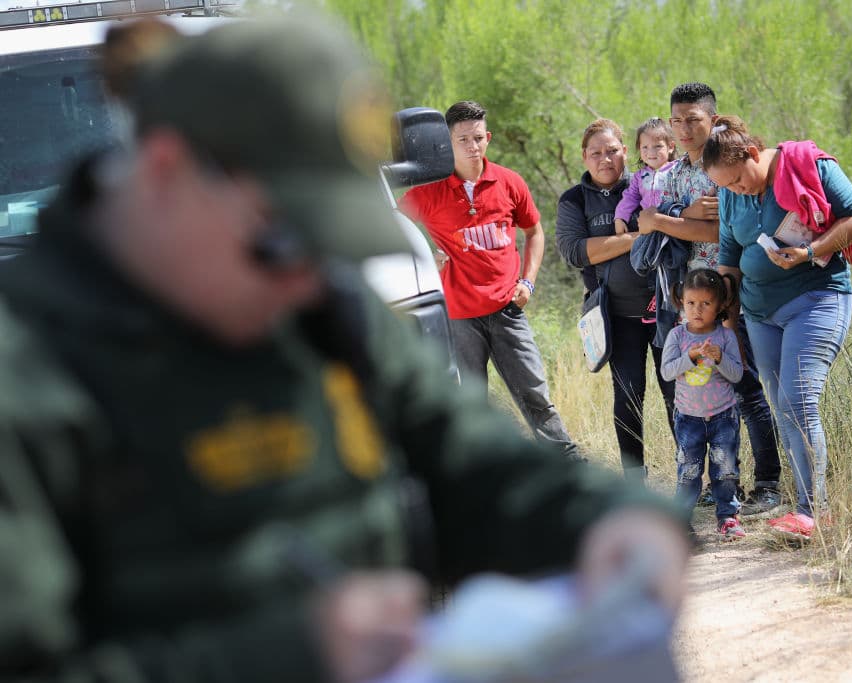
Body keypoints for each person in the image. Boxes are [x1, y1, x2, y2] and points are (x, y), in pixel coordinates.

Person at [0, 18, 690, 682]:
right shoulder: (28, 377)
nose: (309, 274)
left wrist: (611, 516)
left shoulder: (323, 311)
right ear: (167, 172)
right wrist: (290, 654)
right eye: (285, 238)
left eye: (332, 244)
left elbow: (469, 456)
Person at [703, 114, 852, 540]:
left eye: (740, 179)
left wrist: (810, 250)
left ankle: (813, 512)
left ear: (754, 155)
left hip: (816, 299)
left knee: (799, 401)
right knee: (782, 407)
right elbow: (728, 253)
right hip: (760, 315)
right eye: (727, 186)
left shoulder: (809, 166)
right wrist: (724, 311)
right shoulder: (731, 195)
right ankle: (807, 510)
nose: (737, 190)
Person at [398, 101, 581, 461]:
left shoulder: (509, 182)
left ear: (488, 138)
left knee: (536, 395)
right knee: (471, 403)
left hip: (507, 309)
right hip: (459, 317)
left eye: (478, 138)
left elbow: (535, 232)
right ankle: (482, 480)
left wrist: (527, 283)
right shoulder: (428, 191)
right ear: (447, 143)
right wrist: (422, 252)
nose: (472, 146)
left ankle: (569, 467)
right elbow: (386, 223)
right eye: (462, 139)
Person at [644, 82, 784, 519]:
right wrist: (669, 218)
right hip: (689, 299)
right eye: (676, 120)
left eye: (693, 119)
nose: (684, 128)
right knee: (693, 386)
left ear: (713, 119)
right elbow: (647, 220)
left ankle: (768, 483)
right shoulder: (675, 171)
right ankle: (718, 484)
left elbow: (718, 234)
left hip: (730, 293)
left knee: (744, 388)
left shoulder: (722, 166)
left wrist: (664, 220)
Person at [555, 119, 677, 481]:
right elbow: (576, 252)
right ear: (584, 157)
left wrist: (608, 245)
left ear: (627, 152)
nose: (605, 159)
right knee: (628, 397)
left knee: (678, 395)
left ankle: (693, 478)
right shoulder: (574, 200)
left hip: (666, 310)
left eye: (612, 151)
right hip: (616, 317)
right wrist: (637, 236)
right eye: (596, 153)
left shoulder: (645, 184)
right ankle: (634, 480)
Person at [660, 269, 745, 541]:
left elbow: (737, 375)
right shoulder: (677, 336)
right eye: (691, 303)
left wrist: (719, 358)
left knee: (725, 470)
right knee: (689, 471)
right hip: (688, 418)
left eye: (706, 304)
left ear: (719, 305)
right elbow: (667, 372)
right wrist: (691, 357)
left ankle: (728, 517)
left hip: (723, 416)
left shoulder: (725, 337)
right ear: (681, 303)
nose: (697, 310)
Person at [613, 117, 679, 236]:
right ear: (639, 149)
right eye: (645, 147)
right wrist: (620, 218)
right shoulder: (640, 176)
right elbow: (630, 197)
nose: (651, 152)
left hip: (674, 226)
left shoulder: (678, 170)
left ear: (670, 147)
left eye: (657, 146)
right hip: (649, 230)